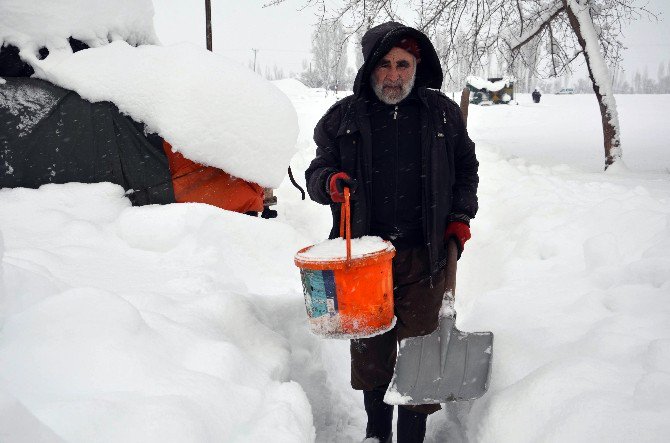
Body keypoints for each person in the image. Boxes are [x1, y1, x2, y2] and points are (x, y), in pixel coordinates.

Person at [305, 21, 479, 443]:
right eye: (384, 65)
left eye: (403, 64)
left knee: (420, 353)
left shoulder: (442, 115)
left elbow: (466, 171)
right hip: (365, 258)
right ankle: (376, 433)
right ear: (369, 68)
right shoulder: (342, 118)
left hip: (425, 256)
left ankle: (411, 438)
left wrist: (459, 218)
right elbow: (315, 173)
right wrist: (330, 182)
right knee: (372, 353)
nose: (394, 74)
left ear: (417, 66)